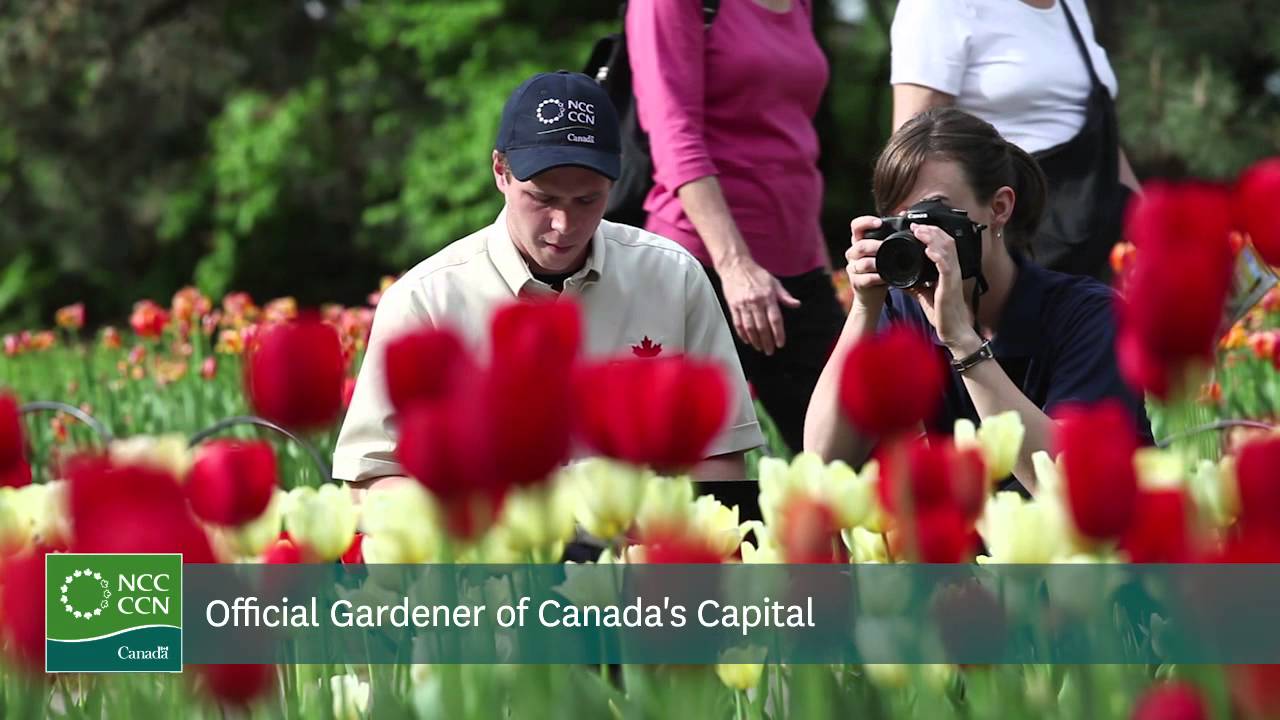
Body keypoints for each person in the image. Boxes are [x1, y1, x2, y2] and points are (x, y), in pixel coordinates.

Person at [334, 70, 764, 498]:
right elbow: (368, 478)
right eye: (542, 199)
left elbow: (721, 454)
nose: (564, 224)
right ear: (501, 171)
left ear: (614, 182)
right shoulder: (425, 300)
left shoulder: (673, 278)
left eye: (587, 200)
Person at [804, 107, 1151, 492]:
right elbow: (824, 458)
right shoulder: (903, 312)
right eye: (900, 222)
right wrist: (864, 309)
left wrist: (962, 343)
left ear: (999, 208)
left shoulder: (1089, 316)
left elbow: (1071, 487)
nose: (918, 238)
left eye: (932, 214)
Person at [626, 0, 846, 453]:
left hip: (797, 267)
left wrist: (821, 266)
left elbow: (792, 138)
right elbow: (673, 133)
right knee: (716, 486)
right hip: (704, 267)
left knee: (850, 473)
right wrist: (734, 263)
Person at [889, 0, 1140, 279]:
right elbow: (912, 149)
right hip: (1015, 249)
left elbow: (1099, 133)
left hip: (1096, 243)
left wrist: (1148, 232)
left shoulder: (1071, 5)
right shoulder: (939, 6)